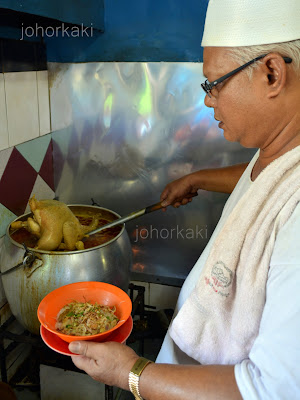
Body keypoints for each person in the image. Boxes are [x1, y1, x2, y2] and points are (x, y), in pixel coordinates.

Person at [69, 0, 300, 398]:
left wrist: (131, 372)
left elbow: (269, 390)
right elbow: (262, 185)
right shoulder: (278, 156)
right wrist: (200, 179)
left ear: (272, 73)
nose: (209, 99)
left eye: (214, 83)